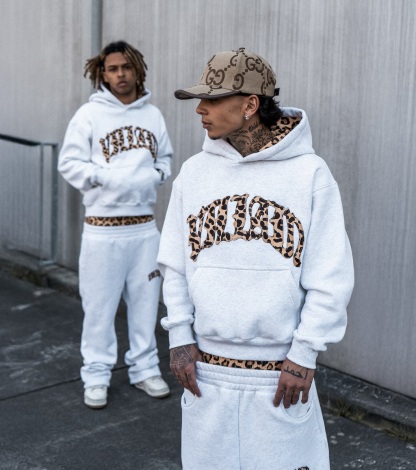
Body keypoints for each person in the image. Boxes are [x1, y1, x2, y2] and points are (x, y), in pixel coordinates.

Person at [157, 48, 354, 469]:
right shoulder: (194, 173)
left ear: (249, 105)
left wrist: (304, 353)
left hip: (279, 373)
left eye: (212, 99)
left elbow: (330, 277)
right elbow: (174, 265)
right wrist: (178, 337)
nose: (200, 109)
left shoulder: (309, 174)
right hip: (206, 369)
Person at [58, 40, 172, 409]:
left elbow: (165, 159)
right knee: (99, 309)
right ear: (102, 74)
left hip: (143, 229)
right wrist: (107, 179)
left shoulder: (153, 115)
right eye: (113, 69)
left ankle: (145, 369)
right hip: (102, 228)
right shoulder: (89, 115)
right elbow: (69, 163)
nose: (121, 74)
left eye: (126, 67)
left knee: (145, 305)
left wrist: (153, 175)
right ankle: (96, 375)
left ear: (138, 69)